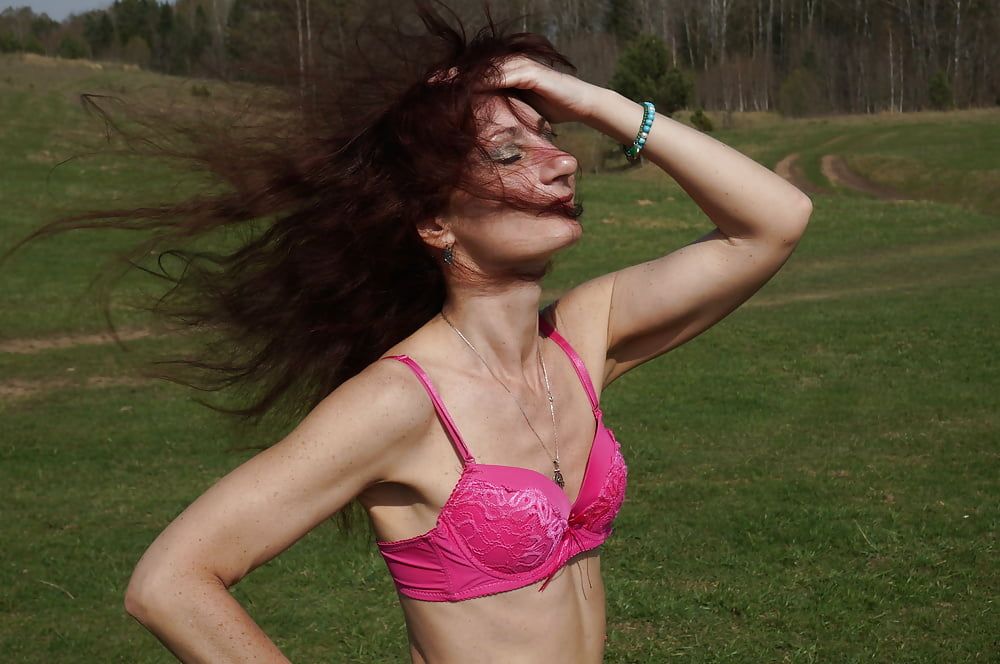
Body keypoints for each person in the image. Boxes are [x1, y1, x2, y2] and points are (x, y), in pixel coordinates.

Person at [15, 4, 810, 663]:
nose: (561, 163)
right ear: (435, 223)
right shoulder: (402, 402)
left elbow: (774, 221)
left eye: (551, 137)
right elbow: (170, 581)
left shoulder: (581, 337)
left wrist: (594, 101)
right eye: (509, 151)